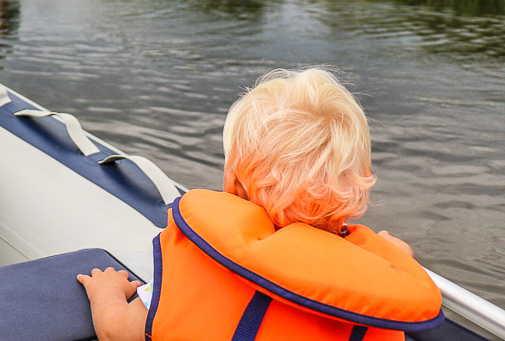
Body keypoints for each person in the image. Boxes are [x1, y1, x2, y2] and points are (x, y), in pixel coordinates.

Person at [77, 68, 442, 341]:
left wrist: (106, 290)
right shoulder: (370, 290)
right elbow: (353, 268)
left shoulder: (200, 262)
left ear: (231, 183)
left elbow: (115, 331)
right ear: (354, 192)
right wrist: (391, 256)